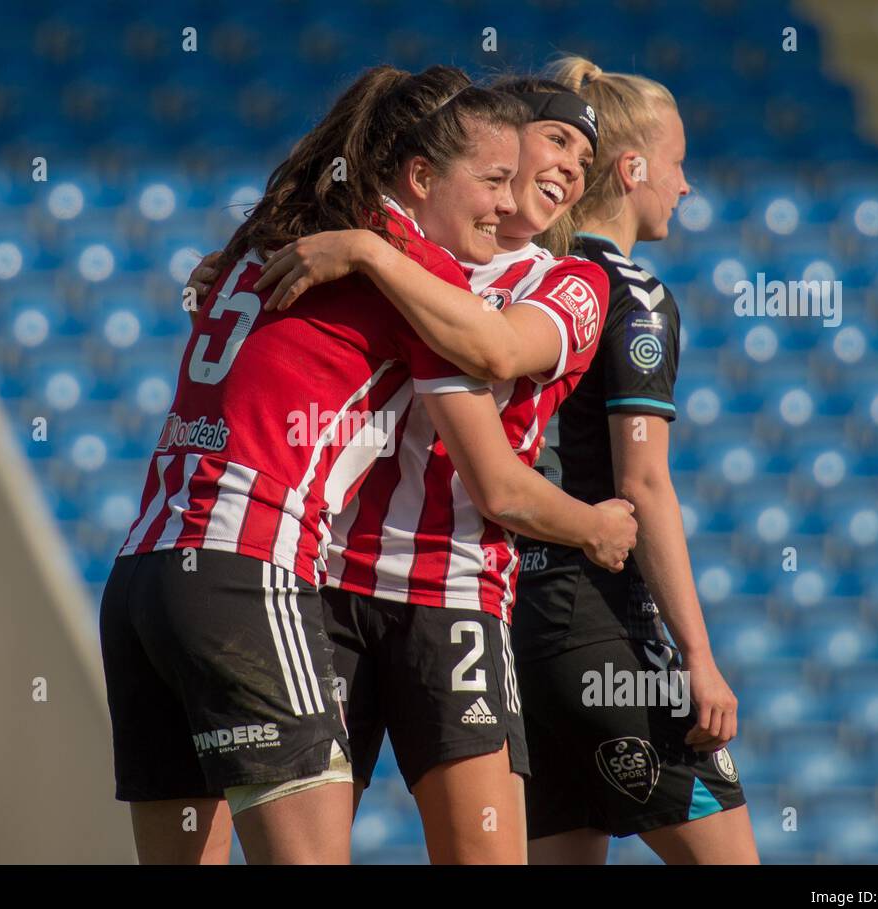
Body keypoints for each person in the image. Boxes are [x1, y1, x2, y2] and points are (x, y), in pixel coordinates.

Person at [103, 65, 635, 865]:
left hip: (150, 565)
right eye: (501, 172)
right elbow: (491, 398)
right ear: (427, 171)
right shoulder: (412, 268)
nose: (509, 194)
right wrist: (595, 524)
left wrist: (354, 249)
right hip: (267, 568)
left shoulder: (286, 234)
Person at [511, 56, 760, 865]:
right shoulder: (631, 293)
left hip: (518, 622)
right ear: (632, 168)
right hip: (597, 619)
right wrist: (697, 655)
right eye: (678, 162)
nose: (686, 186)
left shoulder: (526, 279)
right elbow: (643, 483)